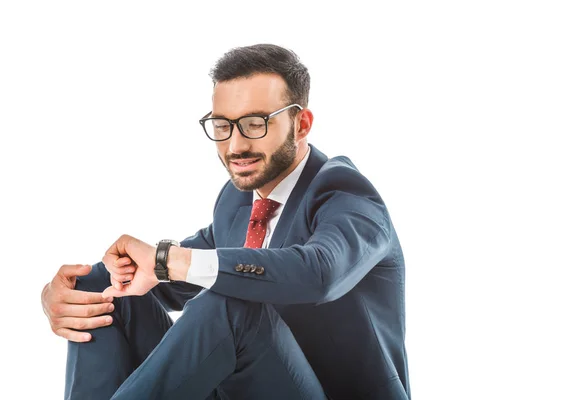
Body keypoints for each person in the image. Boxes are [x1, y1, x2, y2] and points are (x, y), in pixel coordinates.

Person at [41, 43, 411, 399]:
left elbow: (319, 273)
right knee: (103, 289)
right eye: (222, 125)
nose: (234, 146)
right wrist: (64, 294)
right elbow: (170, 274)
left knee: (230, 304)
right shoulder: (237, 201)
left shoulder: (347, 195)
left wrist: (171, 259)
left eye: (254, 124)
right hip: (240, 387)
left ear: (301, 125)